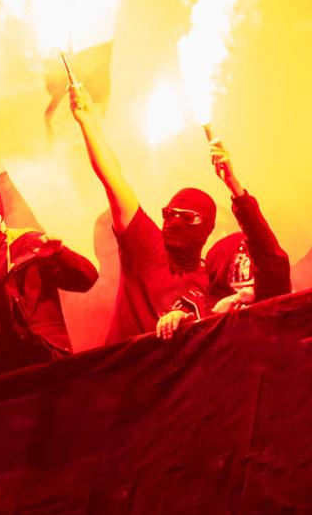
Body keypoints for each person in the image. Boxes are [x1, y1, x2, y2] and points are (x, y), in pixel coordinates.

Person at [68, 77, 219, 339]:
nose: (173, 222)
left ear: (206, 227)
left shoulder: (211, 277)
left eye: (187, 218)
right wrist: (88, 122)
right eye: (169, 214)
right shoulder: (148, 248)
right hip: (127, 374)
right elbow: (114, 180)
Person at [0, 177, 99, 379]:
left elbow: (87, 280)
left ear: (1, 209)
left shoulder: (28, 243)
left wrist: (60, 254)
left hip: (43, 361)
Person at [193, 141, 292, 318]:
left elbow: (268, 256)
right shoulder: (207, 279)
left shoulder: (267, 269)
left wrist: (233, 185)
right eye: (214, 228)